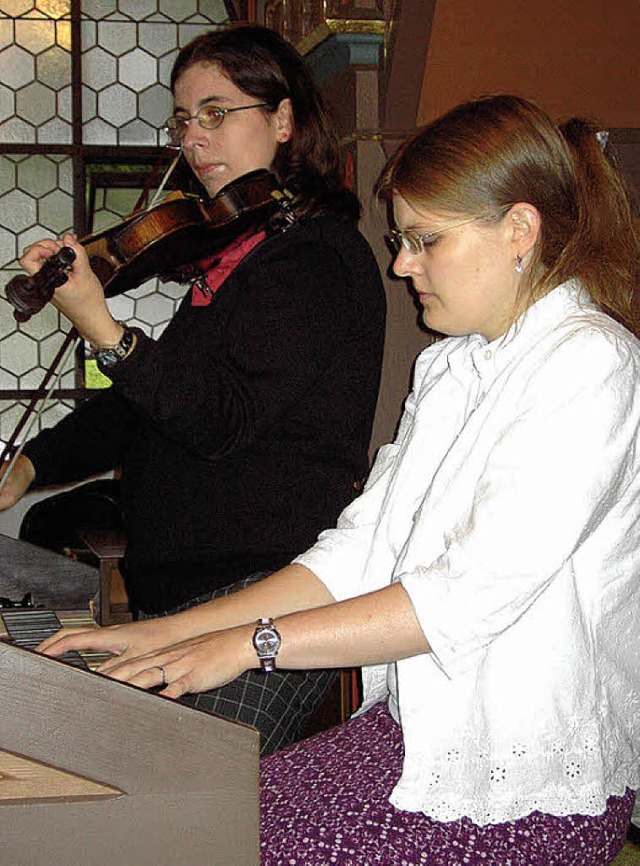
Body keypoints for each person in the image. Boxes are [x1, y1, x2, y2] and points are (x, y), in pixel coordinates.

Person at [38, 93, 639, 865]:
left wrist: (243, 644)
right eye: (401, 240)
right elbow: (356, 555)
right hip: (418, 739)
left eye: (426, 241)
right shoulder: (452, 368)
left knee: (204, 842)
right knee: (180, 823)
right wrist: (156, 631)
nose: (401, 265)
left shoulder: (590, 364)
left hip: (529, 782)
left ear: (519, 230)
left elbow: (466, 596)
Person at [0, 24, 386, 755]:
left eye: (217, 112)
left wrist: (107, 332)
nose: (192, 138)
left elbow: (220, 421)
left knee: (177, 787)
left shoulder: (314, 260)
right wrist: (31, 466)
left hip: (260, 591)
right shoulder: (240, 258)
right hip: (184, 589)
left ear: (282, 120)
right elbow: (140, 409)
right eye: (184, 119)